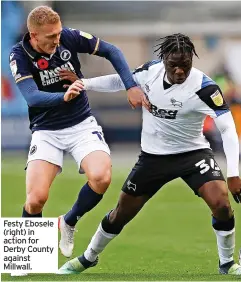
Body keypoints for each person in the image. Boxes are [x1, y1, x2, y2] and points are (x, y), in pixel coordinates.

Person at [58, 33, 241, 275]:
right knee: (120, 214)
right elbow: (121, 82)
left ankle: (227, 263)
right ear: (164, 59)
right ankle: (88, 257)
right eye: (174, 65)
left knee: (221, 203)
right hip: (153, 158)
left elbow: (228, 129)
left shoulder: (205, 88)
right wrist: (85, 83)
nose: (179, 71)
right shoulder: (150, 72)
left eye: (185, 65)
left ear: (192, 60)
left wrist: (233, 173)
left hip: (193, 154)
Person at [9, 5, 148, 260]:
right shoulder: (19, 55)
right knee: (36, 200)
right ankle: (27, 260)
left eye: (58, 33)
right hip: (46, 130)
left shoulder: (69, 37)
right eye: (51, 36)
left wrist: (130, 85)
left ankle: (68, 221)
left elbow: (112, 50)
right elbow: (32, 97)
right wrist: (64, 96)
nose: (57, 40)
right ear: (33, 34)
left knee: (101, 177)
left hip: (81, 124)